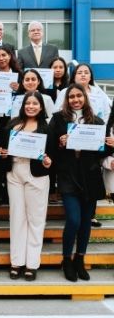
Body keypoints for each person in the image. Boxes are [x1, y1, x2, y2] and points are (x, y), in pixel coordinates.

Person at [49, 83, 109, 282]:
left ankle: (79, 259)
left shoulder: (97, 121)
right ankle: (66, 259)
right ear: (67, 99)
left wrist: (110, 146)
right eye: (72, 96)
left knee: (85, 222)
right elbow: (49, 148)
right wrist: (59, 142)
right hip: (68, 176)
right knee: (74, 219)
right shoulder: (58, 119)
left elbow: (101, 152)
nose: (75, 99)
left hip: (90, 176)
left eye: (79, 96)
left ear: (85, 97)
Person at [2, 92, 52, 281]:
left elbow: (52, 155)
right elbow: (4, 150)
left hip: (37, 175)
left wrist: (48, 161)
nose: (31, 106)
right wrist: (3, 153)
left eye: (35, 103)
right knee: (17, 218)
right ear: (23, 105)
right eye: (28, 103)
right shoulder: (12, 125)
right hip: (14, 172)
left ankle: (32, 264)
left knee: (36, 219)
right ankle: (17, 262)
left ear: (41, 106)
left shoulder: (46, 128)